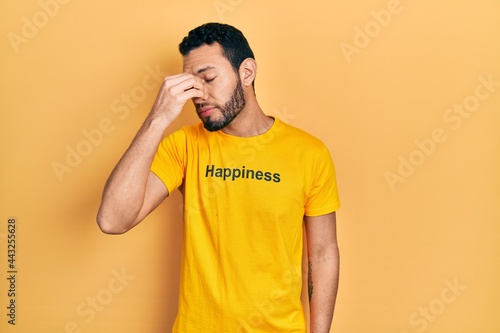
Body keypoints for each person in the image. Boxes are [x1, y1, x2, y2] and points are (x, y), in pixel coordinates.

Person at [97, 22, 340, 333]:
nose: (199, 95)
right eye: (191, 85)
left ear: (247, 72)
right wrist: (157, 118)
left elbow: (322, 253)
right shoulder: (184, 146)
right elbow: (112, 220)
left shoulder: (309, 153)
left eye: (208, 79)